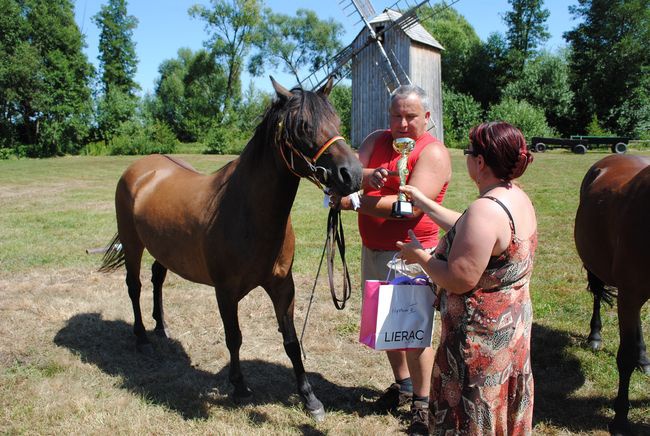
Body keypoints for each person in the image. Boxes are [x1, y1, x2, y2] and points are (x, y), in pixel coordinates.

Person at [396, 121, 536, 435]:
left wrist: (420, 256)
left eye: (468, 152)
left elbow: (458, 280)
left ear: (481, 162)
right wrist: (424, 202)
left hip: (477, 345)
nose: (467, 158)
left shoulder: (484, 211)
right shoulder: (514, 197)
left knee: (469, 420)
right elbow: (473, 232)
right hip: (510, 334)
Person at [332, 84, 451, 436]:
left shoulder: (433, 153)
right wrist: (367, 178)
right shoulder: (375, 140)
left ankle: (423, 405)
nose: (401, 123)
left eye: (410, 116)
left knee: (414, 331)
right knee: (387, 324)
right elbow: (350, 175)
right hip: (373, 249)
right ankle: (404, 385)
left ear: (427, 118)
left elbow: (408, 208)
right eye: (396, 115)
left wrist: (353, 200)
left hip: (412, 254)